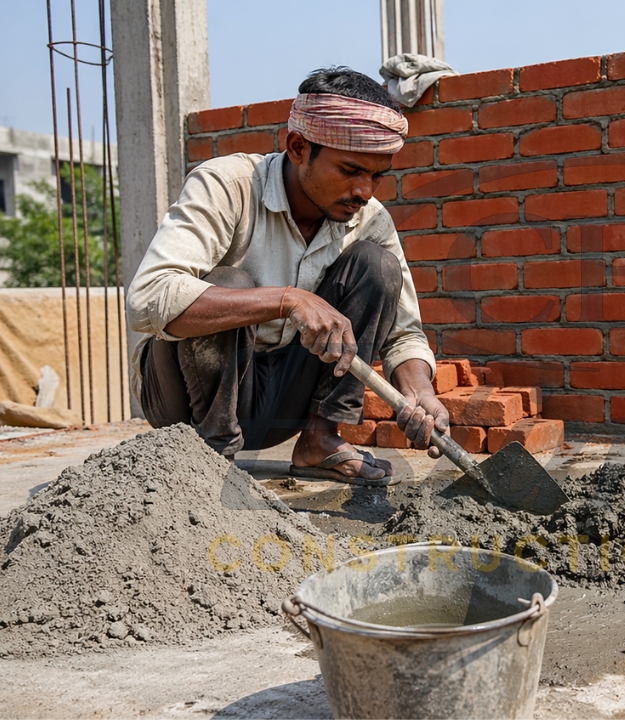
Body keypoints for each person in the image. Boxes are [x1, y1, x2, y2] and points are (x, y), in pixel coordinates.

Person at [126, 66, 448, 485]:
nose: (364, 191)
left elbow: (404, 335)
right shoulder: (228, 185)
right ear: (298, 147)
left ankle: (319, 440)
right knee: (228, 284)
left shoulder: (368, 220)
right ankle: (209, 457)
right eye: (350, 170)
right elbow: (148, 298)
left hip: (282, 405)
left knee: (376, 265)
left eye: (377, 176)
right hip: (184, 402)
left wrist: (419, 389)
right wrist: (288, 299)